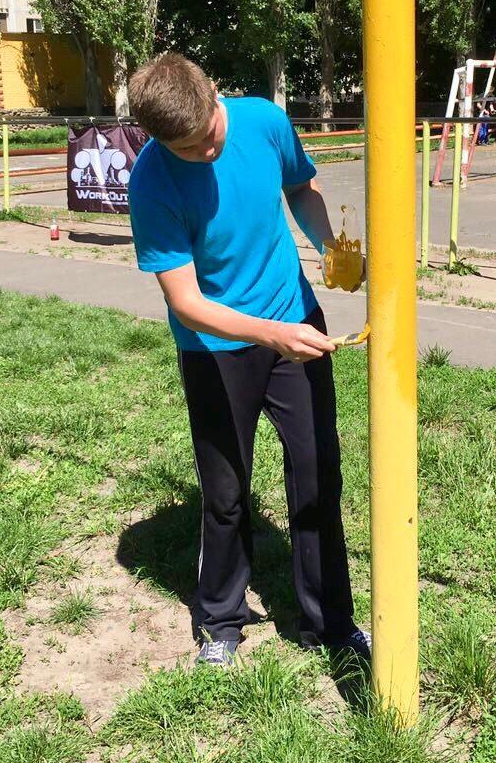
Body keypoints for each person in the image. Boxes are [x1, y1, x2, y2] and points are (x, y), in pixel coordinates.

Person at [127, 52, 369, 668]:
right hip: (214, 347)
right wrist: (270, 335)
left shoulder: (263, 121)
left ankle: (331, 622)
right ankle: (220, 622)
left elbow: (300, 188)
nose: (205, 152)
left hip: (293, 316)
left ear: (214, 91)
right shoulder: (151, 182)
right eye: (186, 148)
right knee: (227, 492)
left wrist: (329, 246)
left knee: (318, 474)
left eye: (208, 134)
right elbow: (187, 303)